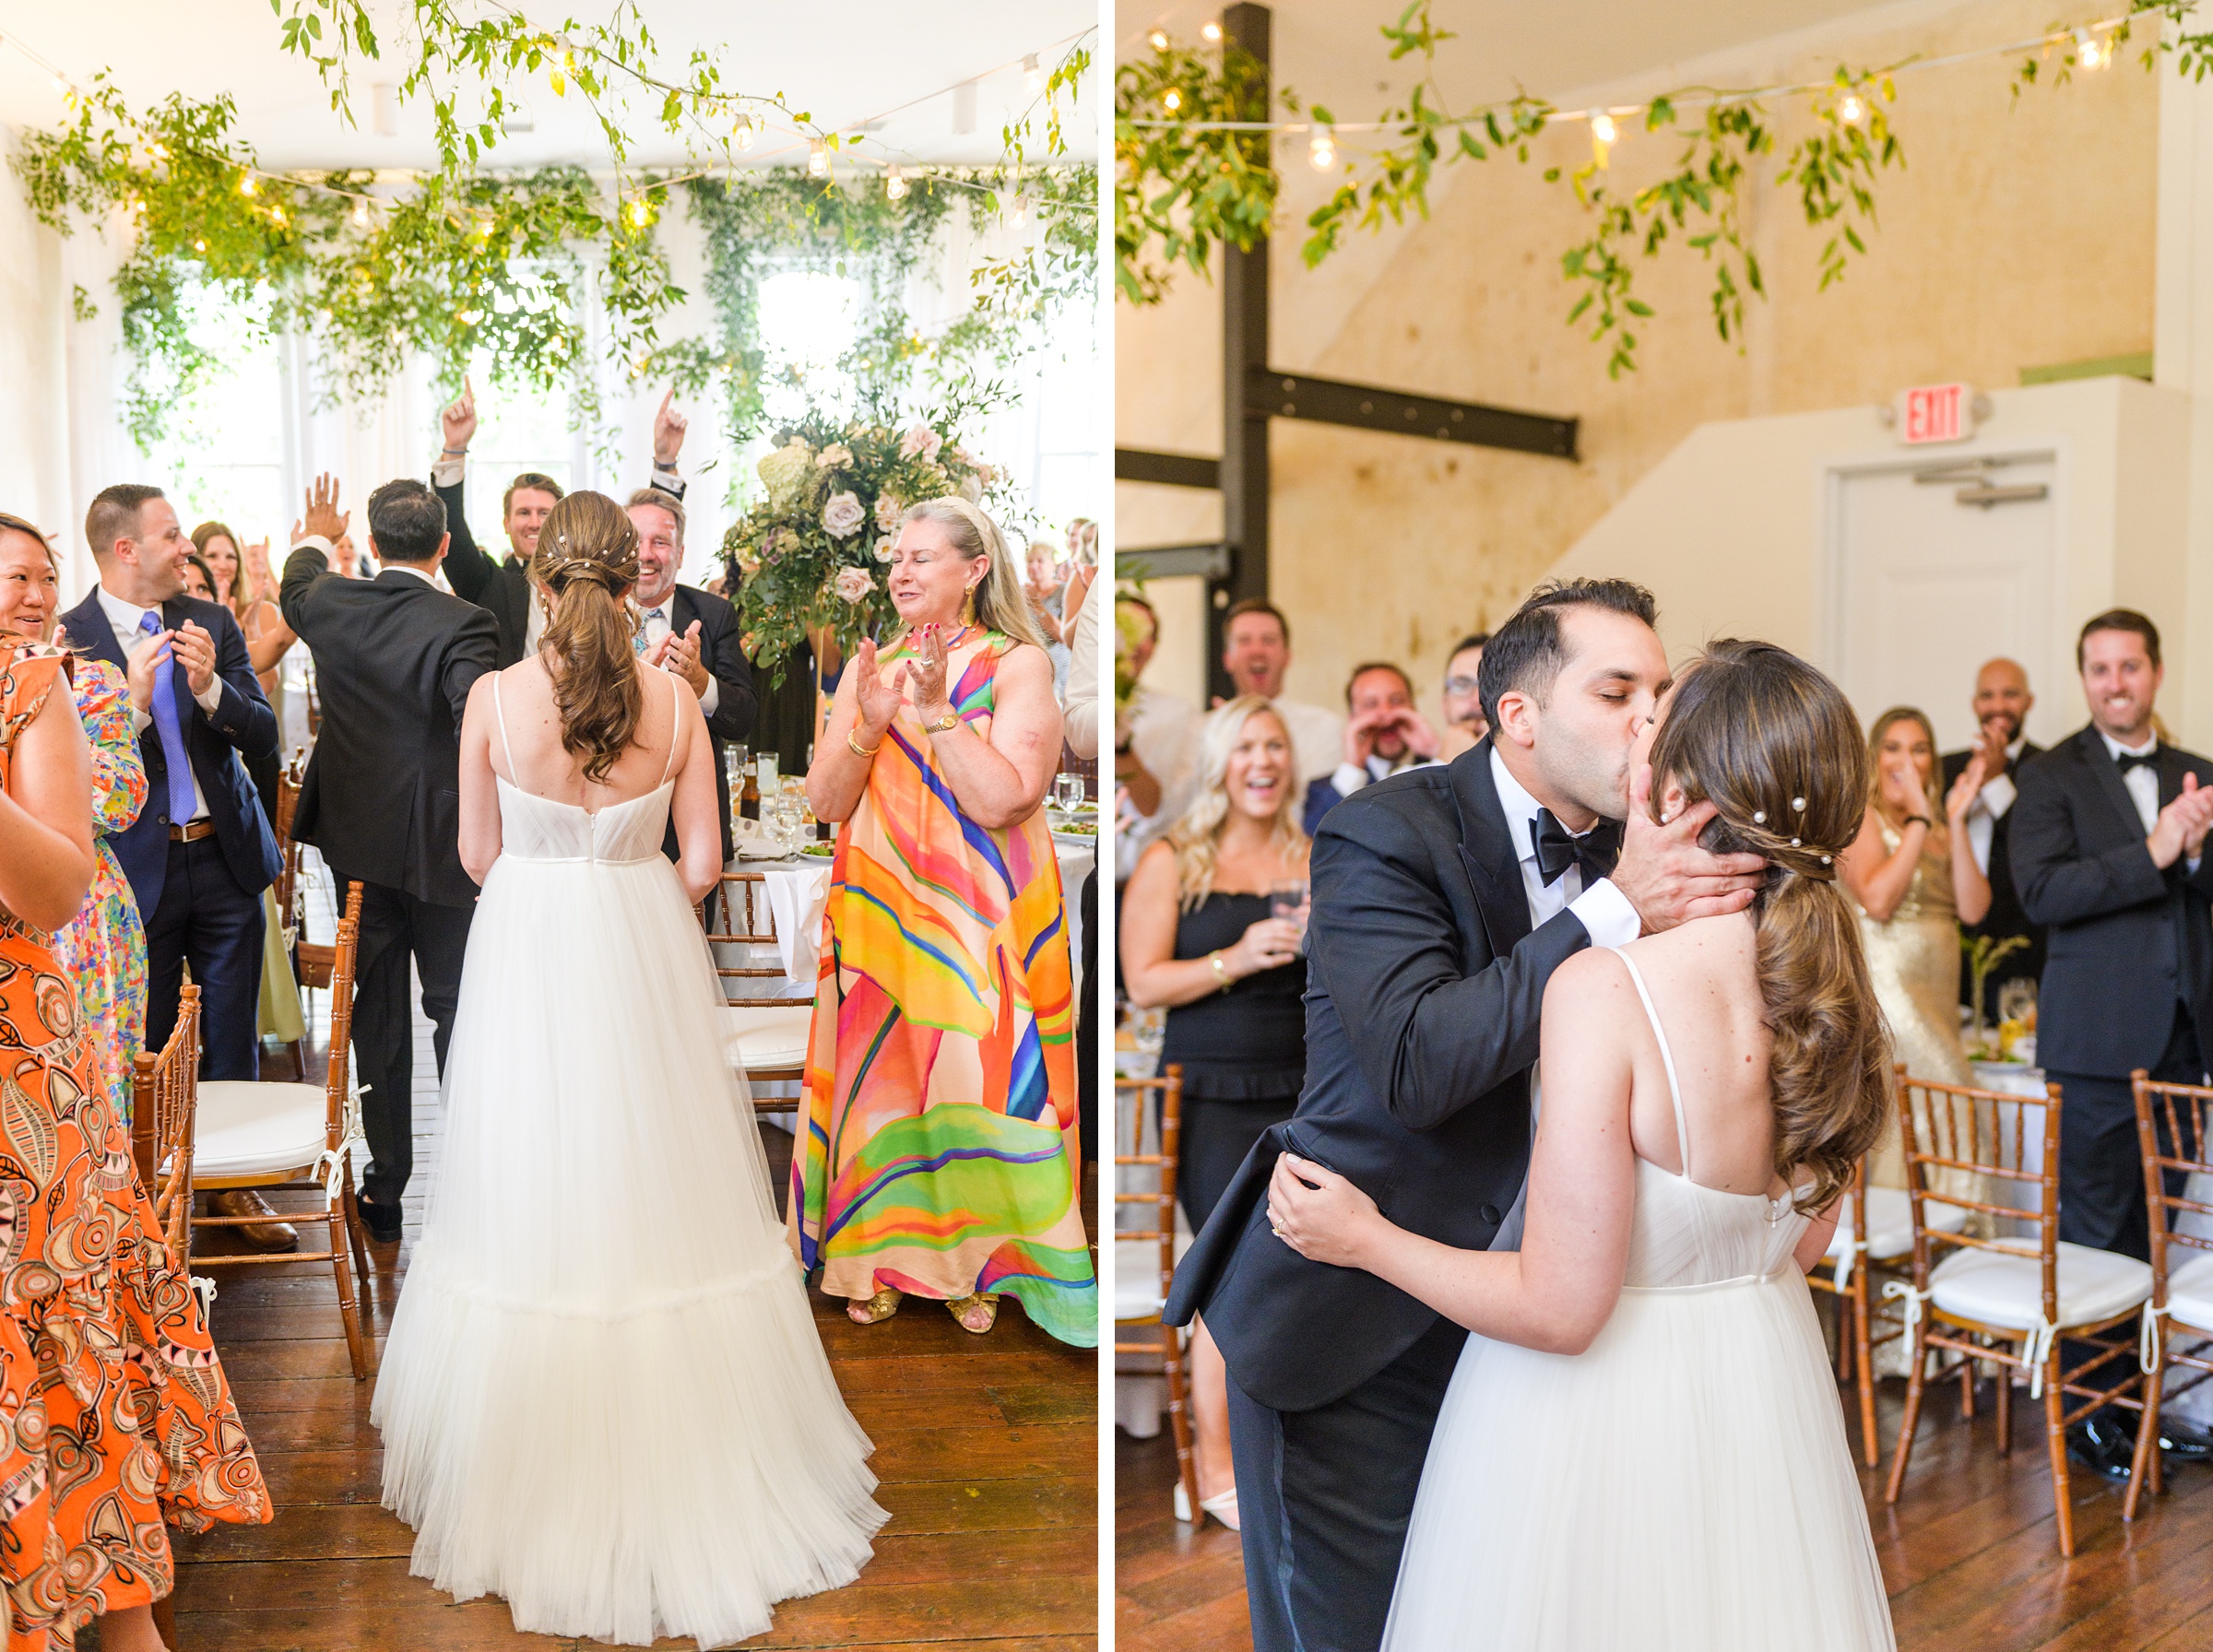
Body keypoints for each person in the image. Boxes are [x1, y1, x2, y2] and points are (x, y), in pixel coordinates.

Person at [1163, 578, 1769, 1652]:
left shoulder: (1673, 858)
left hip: (1543, 1329)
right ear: (1519, 715)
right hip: (1350, 1329)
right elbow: (1419, 1064)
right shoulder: (1384, 834)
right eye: (1618, 689)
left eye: (1660, 691)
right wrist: (1618, 906)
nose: (1650, 719)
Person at [1265, 639, 1896, 1652]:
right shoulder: (1839, 993)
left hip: (1596, 1423)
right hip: (1762, 1398)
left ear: (1680, 785)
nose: (1637, 724)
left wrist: (1363, 1237)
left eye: (1657, 713)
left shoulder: (1608, 989)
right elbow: (1797, 1247)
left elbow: (1561, 1309)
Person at [372, 490, 884, 1646]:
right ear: (627, 575)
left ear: (539, 579)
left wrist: (559, 873)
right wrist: (625, 874)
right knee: (659, 1186)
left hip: (530, 945)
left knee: (531, 1179)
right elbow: (703, 862)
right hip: (637, 944)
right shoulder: (676, 699)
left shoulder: (495, 697)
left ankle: (529, 1465)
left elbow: (474, 854)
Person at [0, 624, 272, 1652]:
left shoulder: (27, 686)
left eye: (31, 572)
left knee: (61, 1333)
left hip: (16, 1065)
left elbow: (56, 887)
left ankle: (116, 1613)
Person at [797, 497, 1094, 1342]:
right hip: (879, 911)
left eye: (923, 558)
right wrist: (869, 722)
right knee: (882, 1095)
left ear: (972, 573)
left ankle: (980, 1266)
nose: (901, 571)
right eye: (898, 557)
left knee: (975, 1087)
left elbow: (1006, 797)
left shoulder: (1016, 663)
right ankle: (874, 1260)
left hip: (980, 919)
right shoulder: (869, 665)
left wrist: (934, 714)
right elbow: (824, 800)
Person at [2012, 608, 2213, 1480]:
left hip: (2179, 1045)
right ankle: (2088, 1417)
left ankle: (2147, 1408)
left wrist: (2197, 860)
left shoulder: (2197, 772)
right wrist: (2160, 849)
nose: (2115, 683)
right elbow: (2041, 893)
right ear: (2085, 678)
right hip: (2092, 1046)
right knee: (2094, 1238)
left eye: (2129, 667)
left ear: (2155, 673)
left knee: (2159, 1238)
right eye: (2099, 669)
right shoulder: (2051, 776)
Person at [283, 474, 502, 1245]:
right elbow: (473, 715)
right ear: (443, 546)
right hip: (448, 846)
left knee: (377, 1015)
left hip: (358, 849)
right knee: (454, 1007)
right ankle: (478, 1179)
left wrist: (315, 529)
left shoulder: (332, 603)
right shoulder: (469, 622)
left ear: (372, 547)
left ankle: (384, 1189)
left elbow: (297, 580)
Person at [1121, 696, 1311, 1533]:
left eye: (1275, 746)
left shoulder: (1317, 856)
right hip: (1212, 1093)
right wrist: (1238, 956)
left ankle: (1292, 1455)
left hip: (1308, 1090)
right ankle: (1211, 1466)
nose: (1262, 761)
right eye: (1246, 749)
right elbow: (1145, 983)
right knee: (1231, 1271)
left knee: (1309, 1269)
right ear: (1220, 765)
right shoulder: (1175, 858)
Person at [58, 483, 282, 1081]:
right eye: (173, 535)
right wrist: (130, 708)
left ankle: (235, 1177)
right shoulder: (70, 641)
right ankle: (156, 1176)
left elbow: (263, 736)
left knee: (236, 1046)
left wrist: (212, 687)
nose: (189, 548)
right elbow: (73, 772)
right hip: (135, 874)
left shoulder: (209, 620)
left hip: (227, 861)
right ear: (127, 549)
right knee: (146, 1055)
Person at [3, 516, 148, 1130]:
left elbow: (121, 794)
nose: (37, 595)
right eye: (19, 578)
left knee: (87, 1112)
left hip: (84, 925)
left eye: (49, 579)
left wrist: (41, 796)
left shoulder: (87, 681)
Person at [435, 379, 689, 668]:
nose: (534, 523)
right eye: (523, 513)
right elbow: (452, 530)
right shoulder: (488, 584)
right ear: (506, 522)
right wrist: (454, 449)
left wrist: (666, 462)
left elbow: (650, 529)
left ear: (560, 522)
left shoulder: (594, 575)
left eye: (545, 513)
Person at [1837, 707, 1987, 1183]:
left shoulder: (1940, 829)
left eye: (1919, 749)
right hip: (1890, 992)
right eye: (1894, 747)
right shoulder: (1862, 818)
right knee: (1941, 1091)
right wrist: (1919, 821)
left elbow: (1973, 908)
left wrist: (1954, 822)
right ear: (1875, 758)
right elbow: (1878, 900)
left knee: (1931, 1099)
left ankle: (1935, 1235)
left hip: (1938, 997)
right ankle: (1944, 1221)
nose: (1907, 760)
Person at [625, 483, 755, 870]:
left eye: (660, 543)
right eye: (634, 542)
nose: (645, 555)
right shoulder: (592, 615)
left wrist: (701, 683)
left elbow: (744, 718)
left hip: (690, 831)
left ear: (680, 554)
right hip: (614, 819)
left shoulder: (714, 615)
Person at [1941, 657, 2046, 1008]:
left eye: (2010, 694)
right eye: (1988, 695)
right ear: (1975, 704)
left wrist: (1998, 781)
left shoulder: (2051, 770)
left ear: (2029, 701)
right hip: (1949, 950)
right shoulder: (1942, 769)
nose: (1998, 706)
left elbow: (2037, 846)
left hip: (2025, 955)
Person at [1301, 660, 1442, 835]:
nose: (1386, 714)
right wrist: (1352, 767)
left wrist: (1437, 751)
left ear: (1413, 708)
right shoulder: (1321, 790)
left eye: (1397, 701)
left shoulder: (1441, 767)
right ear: (1353, 718)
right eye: (1371, 704)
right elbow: (1317, 839)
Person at [1218, 598, 1342, 786]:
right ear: (1227, 659)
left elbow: (1318, 809)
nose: (1257, 650)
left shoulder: (1325, 728)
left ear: (1287, 656)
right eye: (1244, 641)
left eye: (1268, 640)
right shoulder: (1202, 730)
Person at [1113, 592, 1199, 839]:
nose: (1134, 643)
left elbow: (1159, 810)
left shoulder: (1178, 713)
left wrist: (1122, 746)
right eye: (1124, 630)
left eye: (1145, 635)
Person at [1438, 631, 1489, 761]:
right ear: (1445, 704)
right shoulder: (1403, 777)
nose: (1478, 699)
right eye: (1462, 685)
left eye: (1490, 684)